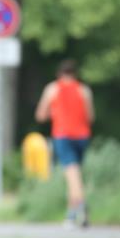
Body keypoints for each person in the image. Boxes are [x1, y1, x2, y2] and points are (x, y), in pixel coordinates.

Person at [35, 59, 94, 228]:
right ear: (75, 74)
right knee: (74, 176)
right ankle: (70, 215)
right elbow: (90, 117)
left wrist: (53, 112)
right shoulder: (84, 90)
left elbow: (40, 115)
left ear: (59, 74)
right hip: (82, 135)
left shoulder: (52, 88)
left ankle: (82, 208)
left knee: (72, 175)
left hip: (63, 135)